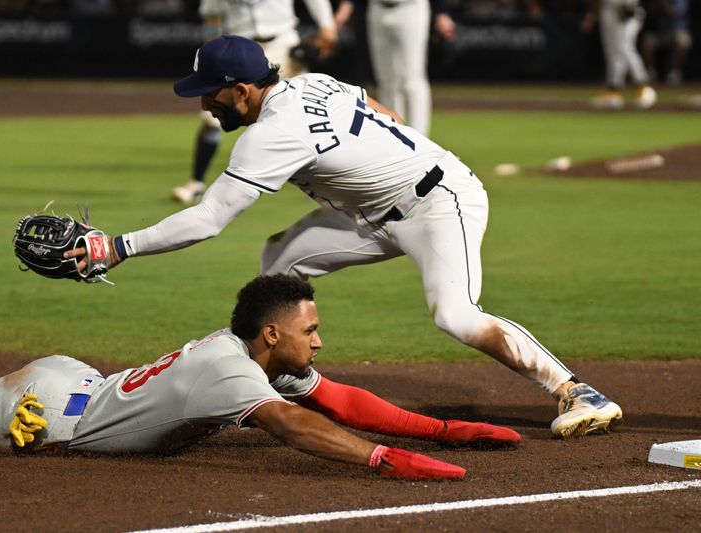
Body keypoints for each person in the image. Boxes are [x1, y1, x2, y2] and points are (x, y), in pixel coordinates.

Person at [69, 35, 623, 439]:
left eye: (209, 93)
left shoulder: (269, 136)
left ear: (240, 91)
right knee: (280, 265)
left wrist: (118, 247)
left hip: (438, 203)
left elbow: (209, 219)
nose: (202, 104)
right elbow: (386, 110)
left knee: (455, 315)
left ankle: (574, 389)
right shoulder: (310, 83)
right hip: (377, 212)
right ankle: (288, 376)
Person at [0, 275, 520, 481]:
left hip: (73, 386)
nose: (320, 341)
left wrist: (442, 429)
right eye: (312, 331)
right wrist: (383, 460)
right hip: (36, 417)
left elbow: (342, 402)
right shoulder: (231, 371)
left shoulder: (255, 355)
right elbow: (293, 425)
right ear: (273, 334)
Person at [172, 0, 339, 205]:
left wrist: (327, 26)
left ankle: (332, 178)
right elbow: (212, 17)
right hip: (238, 51)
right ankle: (197, 182)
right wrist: (213, 58)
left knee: (306, 109)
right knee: (212, 119)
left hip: (284, 45)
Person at [333, 0, 456, 136]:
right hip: (377, 9)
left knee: (412, 79)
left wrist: (442, 11)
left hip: (410, 8)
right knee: (386, 81)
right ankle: (394, 135)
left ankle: (420, 139)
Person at [583, 0, 657, 109]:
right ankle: (613, 93)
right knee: (612, 52)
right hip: (608, 9)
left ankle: (643, 86)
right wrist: (592, 14)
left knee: (625, 48)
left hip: (626, 9)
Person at [640, 0, 692, 85]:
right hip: (660, 33)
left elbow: (673, 13)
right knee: (646, 41)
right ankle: (650, 72)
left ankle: (674, 72)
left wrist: (663, 3)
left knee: (680, 41)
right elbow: (649, 12)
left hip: (677, 31)